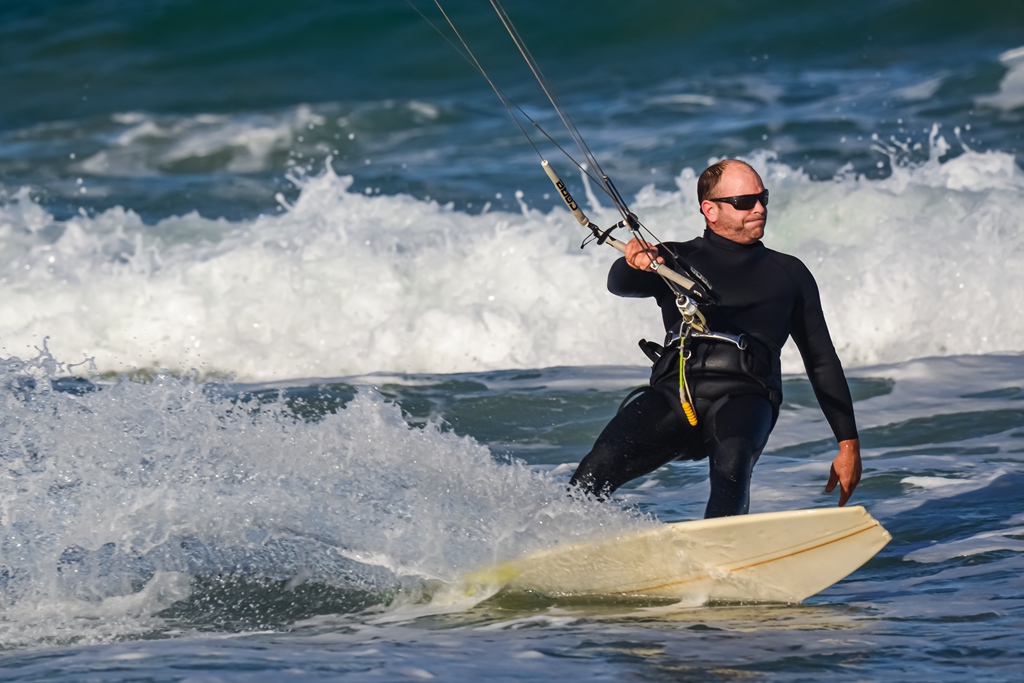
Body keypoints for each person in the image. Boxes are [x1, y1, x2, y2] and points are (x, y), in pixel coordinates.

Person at [569, 159, 862, 518]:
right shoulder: (674, 259)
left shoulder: (790, 274)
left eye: (763, 198)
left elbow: (821, 360)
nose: (759, 208)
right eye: (745, 201)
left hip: (744, 396)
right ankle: (552, 546)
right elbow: (620, 285)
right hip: (674, 396)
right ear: (710, 209)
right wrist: (631, 261)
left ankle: (719, 560)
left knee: (731, 470)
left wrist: (848, 444)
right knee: (594, 470)